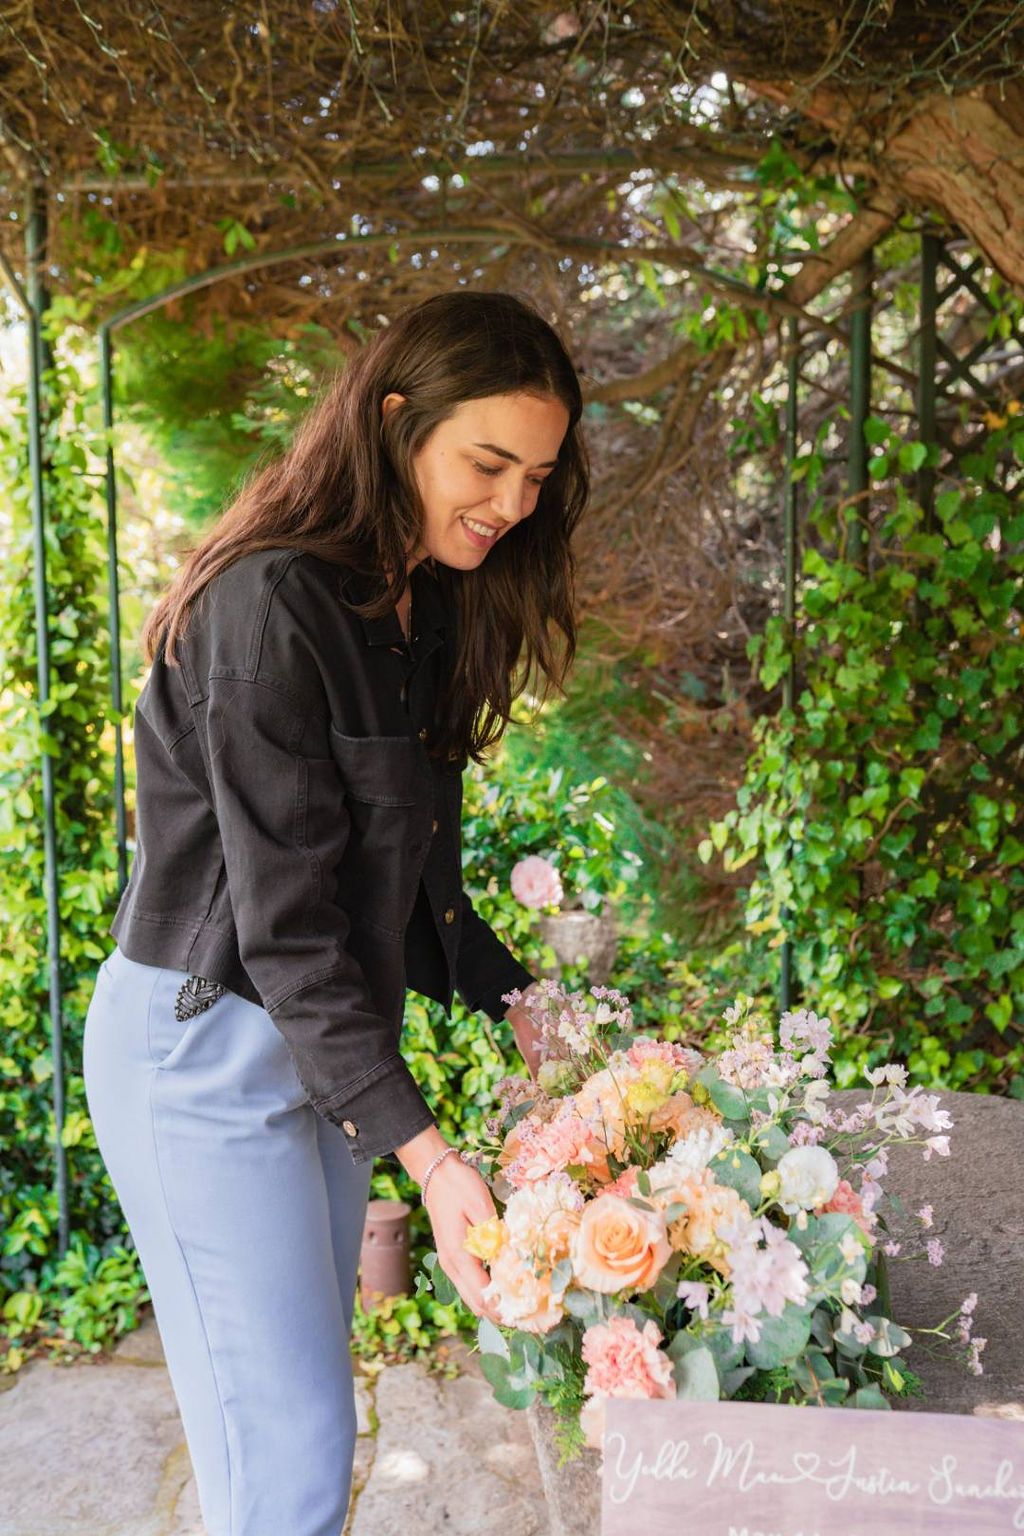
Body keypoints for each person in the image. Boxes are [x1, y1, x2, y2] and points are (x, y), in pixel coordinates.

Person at [82, 288, 589, 1536]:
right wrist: (432, 1158)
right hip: (203, 1048)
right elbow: (287, 928)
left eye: (536, 476)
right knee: (287, 1453)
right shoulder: (268, 608)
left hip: (315, 1041)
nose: (513, 504)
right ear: (397, 420)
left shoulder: (426, 600)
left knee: (300, 1435)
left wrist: (532, 1008)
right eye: (487, 464)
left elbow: (407, 880)